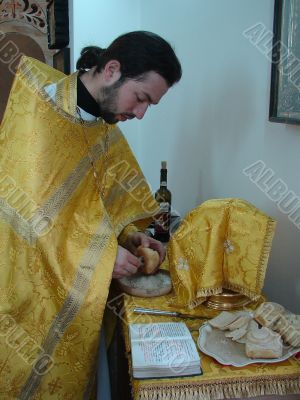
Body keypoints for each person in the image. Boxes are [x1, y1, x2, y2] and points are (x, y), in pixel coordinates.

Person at [0, 31, 181, 399]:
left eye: (150, 106)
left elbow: (92, 207)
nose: (141, 113)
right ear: (112, 70)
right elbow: (26, 220)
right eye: (141, 98)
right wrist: (99, 254)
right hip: (31, 301)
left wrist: (128, 235)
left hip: (84, 298)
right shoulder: (41, 112)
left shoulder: (103, 125)